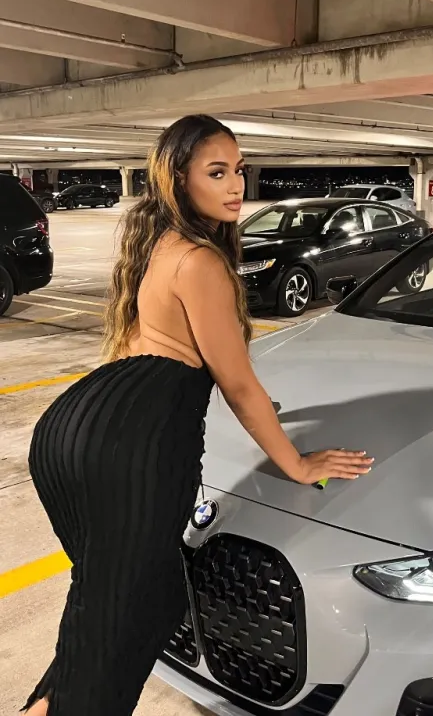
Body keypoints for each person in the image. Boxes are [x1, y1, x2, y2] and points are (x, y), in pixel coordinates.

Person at [23, 115, 373, 716]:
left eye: (238, 170)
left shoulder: (157, 244)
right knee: (124, 618)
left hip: (72, 427)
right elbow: (237, 384)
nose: (235, 185)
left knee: (112, 608)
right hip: (132, 445)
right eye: (216, 172)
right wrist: (296, 463)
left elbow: (160, 358)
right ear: (179, 180)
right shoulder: (201, 261)